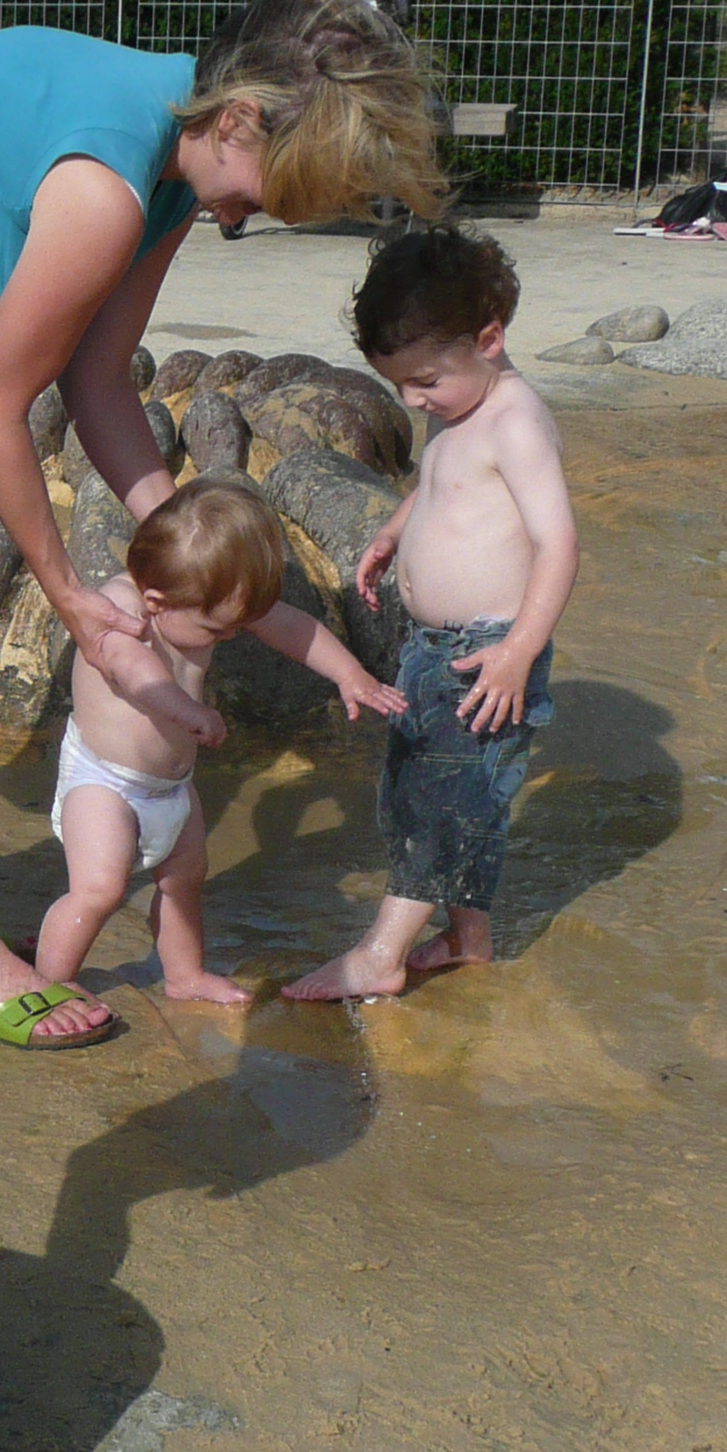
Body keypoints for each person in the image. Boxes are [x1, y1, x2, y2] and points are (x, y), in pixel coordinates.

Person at [0, 0, 446, 1050]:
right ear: (239, 119)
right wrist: (67, 595)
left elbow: (95, 382)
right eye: (274, 192)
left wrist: (184, 528)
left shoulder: (176, 165)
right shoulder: (108, 190)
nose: (262, 217)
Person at [285, 223, 579, 1003]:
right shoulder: (457, 404)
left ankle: (380, 955)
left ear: (489, 340)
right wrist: (394, 531)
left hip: (486, 654)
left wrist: (519, 651)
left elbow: (557, 544)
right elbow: (439, 483)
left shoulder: (515, 419)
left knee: (441, 803)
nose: (413, 400)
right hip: (433, 647)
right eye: (399, 388)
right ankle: (468, 938)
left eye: (423, 383)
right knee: (437, 792)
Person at [38, 480, 406, 1009]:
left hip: (171, 787)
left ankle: (184, 974)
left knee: (185, 881)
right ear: (156, 602)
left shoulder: (200, 596)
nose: (230, 638)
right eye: (217, 630)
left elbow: (291, 626)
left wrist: (350, 674)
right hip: (104, 782)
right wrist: (188, 711)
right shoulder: (119, 611)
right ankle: (53, 980)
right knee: (99, 889)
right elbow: (134, 671)